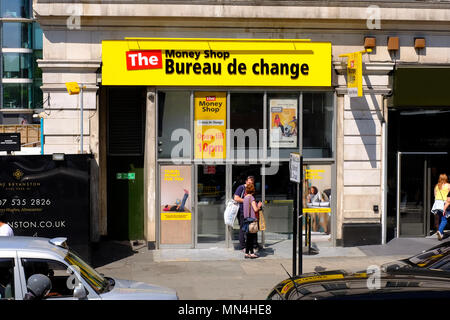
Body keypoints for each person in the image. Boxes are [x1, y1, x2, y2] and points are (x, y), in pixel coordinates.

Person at [242, 183, 262, 259]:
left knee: (248, 237)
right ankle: (252, 253)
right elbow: (255, 209)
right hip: (252, 220)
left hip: (246, 220)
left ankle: (247, 253)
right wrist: (259, 206)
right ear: (253, 190)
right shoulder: (252, 198)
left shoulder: (245, 198)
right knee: (252, 238)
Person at [431, 174, 450, 238]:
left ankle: (440, 233)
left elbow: (435, 195)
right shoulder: (448, 185)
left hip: (437, 203)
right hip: (444, 203)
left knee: (441, 217)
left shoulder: (437, 185)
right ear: (446, 178)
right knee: (444, 219)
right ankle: (440, 230)